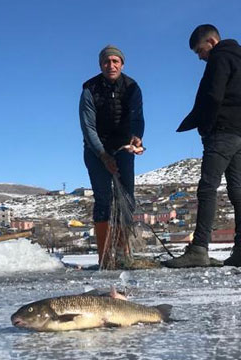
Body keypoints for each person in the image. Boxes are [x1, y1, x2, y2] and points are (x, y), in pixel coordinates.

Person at [162, 24, 241, 268]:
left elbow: (213, 96)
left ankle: (199, 249)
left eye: (200, 51)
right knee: (238, 190)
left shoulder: (219, 59)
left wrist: (206, 127)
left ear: (212, 42)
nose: (200, 57)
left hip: (222, 134)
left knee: (207, 189)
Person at [80, 45, 145, 268]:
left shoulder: (132, 87)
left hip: (123, 147)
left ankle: (121, 250)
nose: (111, 65)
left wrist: (137, 137)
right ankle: (105, 256)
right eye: (107, 62)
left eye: (115, 61)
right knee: (103, 199)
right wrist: (102, 155)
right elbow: (87, 127)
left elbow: (138, 118)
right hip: (95, 149)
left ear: (122, 64)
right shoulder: (89, 89)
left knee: (127, 198)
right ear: (101, 65)